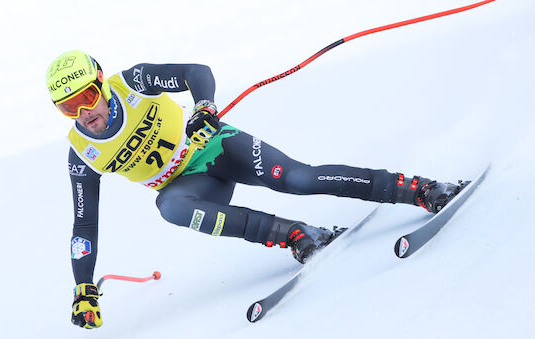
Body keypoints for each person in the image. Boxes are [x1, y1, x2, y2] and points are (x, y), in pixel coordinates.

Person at [46, 50, 463, 329]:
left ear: (100, 84)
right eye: (69, 107)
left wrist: (204, 108)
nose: (85, 114)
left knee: (298, 179)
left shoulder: (131, 82)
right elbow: (85, 223)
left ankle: (419, 189)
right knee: (169, 206)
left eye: (86, 96)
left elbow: (197, 74)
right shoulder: (82, 151)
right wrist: (83, 287)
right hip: (194, 185)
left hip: (218, 146)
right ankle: (297, 235)